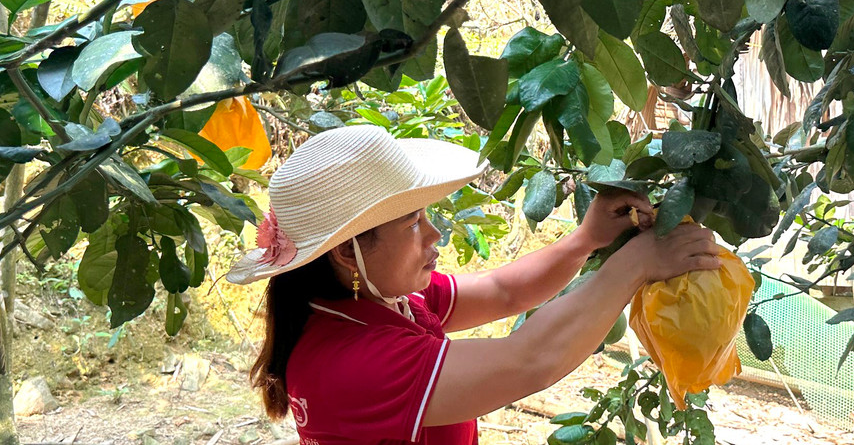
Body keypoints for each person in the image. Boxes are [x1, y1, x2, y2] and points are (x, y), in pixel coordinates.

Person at [226, 125, 722, 445]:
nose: (434, 234)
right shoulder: (352, 362)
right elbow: (529, 361)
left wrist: (586, 240)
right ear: (345, 252)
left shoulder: (378, 300)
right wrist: (633, 266)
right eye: (413, 222)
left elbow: (505, 292)